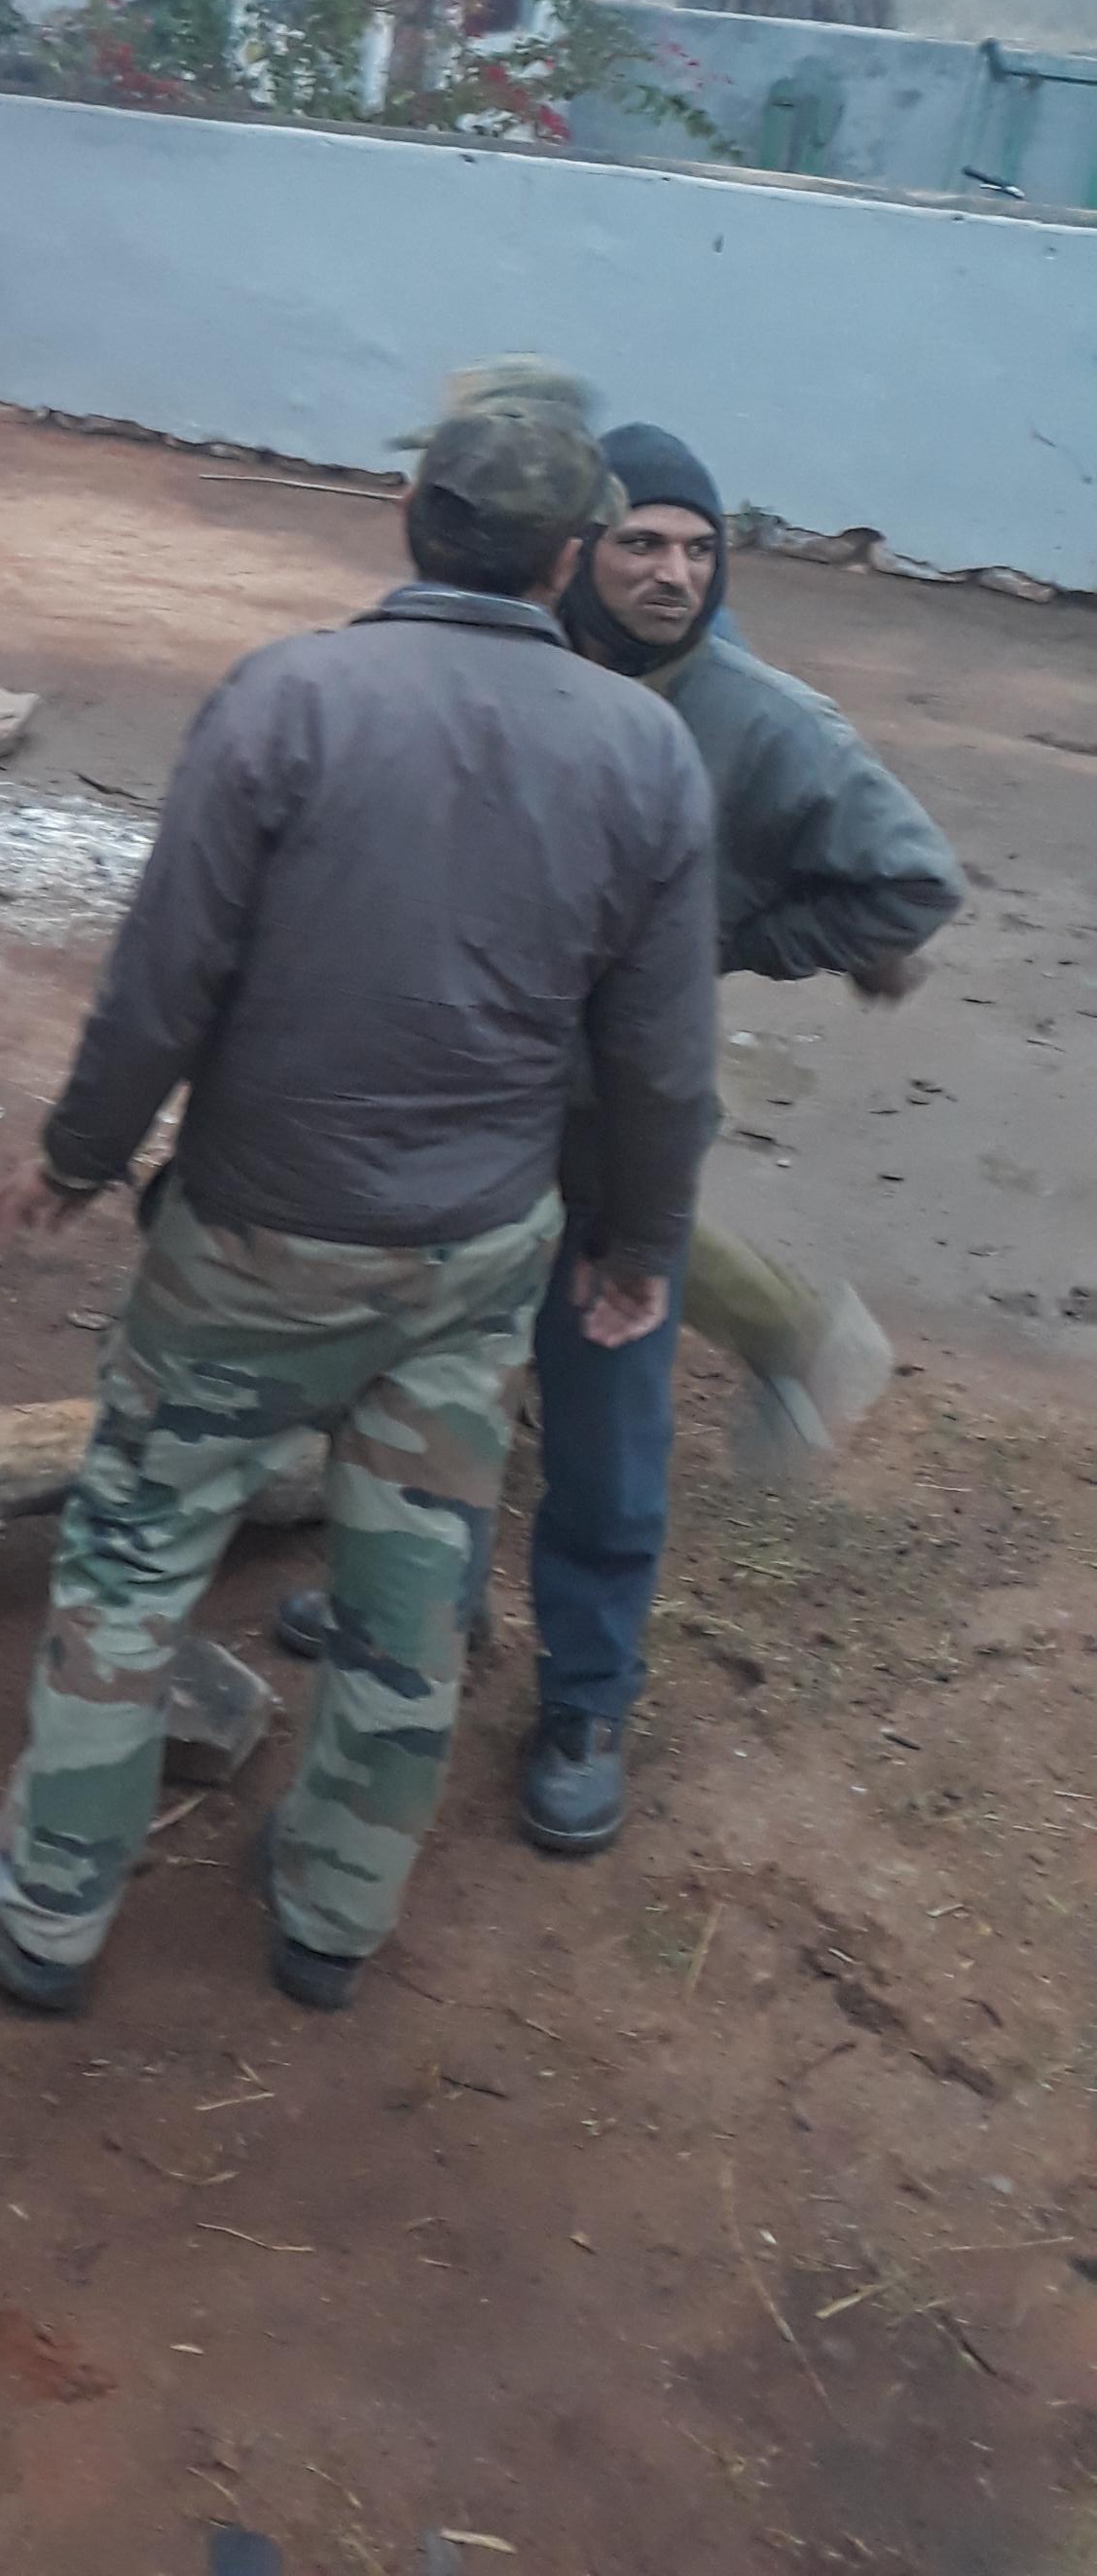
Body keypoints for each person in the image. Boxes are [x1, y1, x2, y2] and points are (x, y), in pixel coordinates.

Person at [0, 390, 715, 2024]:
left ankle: (47, 1908)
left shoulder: (286, 699)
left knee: (135, 1551)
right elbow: (656, 1054)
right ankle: (333, 1914)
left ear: (406, 512)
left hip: (249, 1239)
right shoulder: (641, 748)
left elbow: (164, 978)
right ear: (567, 557)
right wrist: (633, 1245)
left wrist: (78, 1155)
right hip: (473, 1251)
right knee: (410, 1586)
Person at [514, 425, 959, 1849]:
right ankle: (412, 1609)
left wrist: (728, 939)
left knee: (603, 1418)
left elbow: (910, 883)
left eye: (698, 549)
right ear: (579, 550)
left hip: (628, 1117)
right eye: (643, 541)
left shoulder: (761, 721)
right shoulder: (522, 665)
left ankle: (585, 1699)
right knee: (437, 1374)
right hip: (476, 1096)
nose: (673, 572)